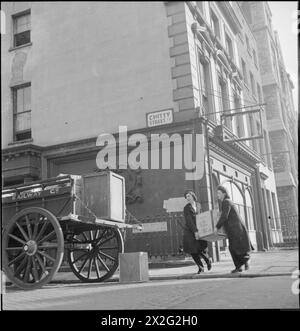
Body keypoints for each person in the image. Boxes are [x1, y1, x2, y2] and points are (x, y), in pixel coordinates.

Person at [216, 185, 253, 273]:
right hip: (234, 229)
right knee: (234, 248)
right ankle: (240, 266)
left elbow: (224, 216)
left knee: (234, 247)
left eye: (219, 193)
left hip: (236, 229)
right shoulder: (226, 202)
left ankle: (245, 261)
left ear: (224, 193)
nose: (217, 195)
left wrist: (217, 227)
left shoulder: (226, 202)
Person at [183, 190, 212, 274]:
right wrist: (195, 231)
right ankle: (201, 268)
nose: (187, 198)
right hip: (190, 232)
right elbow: (189, 221)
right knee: (193, 251)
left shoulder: (199, 205)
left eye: (189, 196)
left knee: (201, 248)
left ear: (193, 196)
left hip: (200, 230)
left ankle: (208, 260)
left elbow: (202, 217)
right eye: (186, 197)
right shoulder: (186, 208)